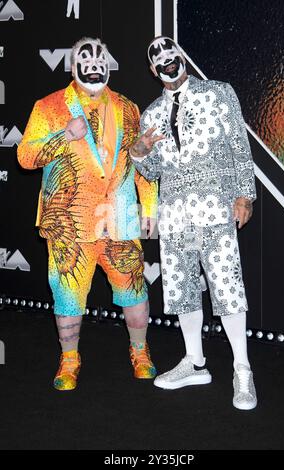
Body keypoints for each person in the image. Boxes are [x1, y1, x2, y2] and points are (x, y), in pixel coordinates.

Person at [18, 37, 158, 391]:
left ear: (109, 64)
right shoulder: (49, 107)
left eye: (101, 59)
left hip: (120, 219)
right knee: (67, 296)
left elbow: (140, 161)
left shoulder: (128, 108)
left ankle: (140, 352)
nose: (94, 64)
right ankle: (69, 359)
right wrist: (64, 136)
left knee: (134, 290)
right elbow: (25, 157)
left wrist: (151, 207)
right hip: (70, 224)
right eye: (86, 58)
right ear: (72, 66)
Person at [130, 36, 257, 410]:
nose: (168, 62)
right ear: (153, 71)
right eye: (160, 60)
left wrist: (244, 194)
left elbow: (238, 144)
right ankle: (195, 362)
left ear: (182, 57)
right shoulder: (150, 114)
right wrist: (138, 152)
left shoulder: (219, 93)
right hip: (174, 214)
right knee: (182, 289)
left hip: (216, 207)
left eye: (172, 54)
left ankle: (242, 369)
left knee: (227, 287)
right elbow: (151, 171)